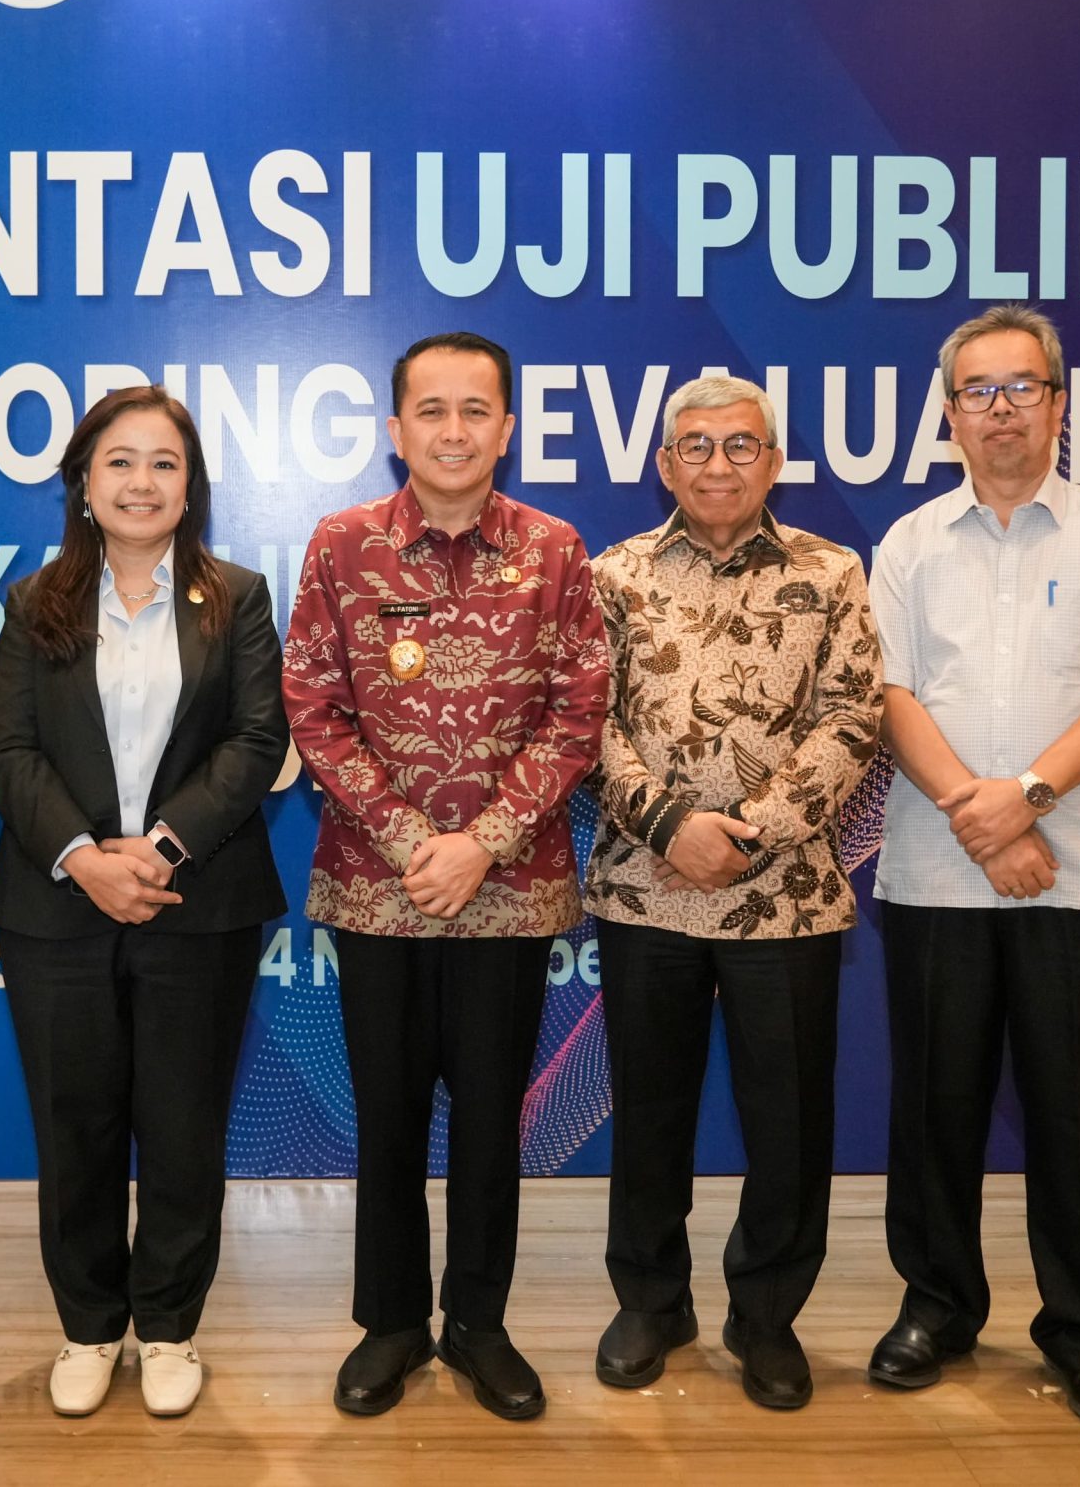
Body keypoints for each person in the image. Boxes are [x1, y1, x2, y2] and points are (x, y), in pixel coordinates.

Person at [282, 330, 610, 1422]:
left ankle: (478, 1324)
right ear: (396, 429)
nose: (454, 430)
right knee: (385, 1114)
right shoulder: (343, 545)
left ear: (506, 427)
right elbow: (312, 705)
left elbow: (579, 713)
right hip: (378, 888)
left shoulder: (555, 550)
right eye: (432, 410)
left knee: (487, 1120)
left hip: (508, 893)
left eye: (476, 410)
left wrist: (487, 840)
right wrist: (405, 835)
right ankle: (389, 1323)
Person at [866, 304, 1080, 1434]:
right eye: (976, 391)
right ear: (948, 413)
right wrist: (983, 817)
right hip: (936, 877)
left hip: (1079, 878)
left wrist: (1027, 798)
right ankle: (937, 1308)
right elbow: (890, 694)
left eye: (1020, 388)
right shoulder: (907, 544)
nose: (999, 409)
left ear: (1057, 402)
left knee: (1072, 1117)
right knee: (935, 1111)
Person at [0, 386, 290, 1419]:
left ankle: (166, 1327)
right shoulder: (34, 602)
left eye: (164, 463)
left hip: (194, 900)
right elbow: (7, 749)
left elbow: (257, 740)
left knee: (182, 1124)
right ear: (82, 482)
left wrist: (155, 849)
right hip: (58, 906)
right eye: (119, 461)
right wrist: (84, 857)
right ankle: (87, 1327)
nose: (141, 482)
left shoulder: (237, 597)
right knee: (73, 1126)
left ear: (190, 486)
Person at [583, 374, 883, 1410]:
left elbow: (853, 715)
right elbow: (585, 721)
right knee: (649, 1112)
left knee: (788, 1121)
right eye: (698, 446)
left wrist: (750, 834)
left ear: (775, 461)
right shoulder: (612, 576)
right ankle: (650, 1301)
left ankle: (766, 1317)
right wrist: (672, 827)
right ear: (664, 465)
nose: (719, 464)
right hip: (645, 889)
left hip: (785, 895)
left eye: (741, 444)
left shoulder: (831, 572)